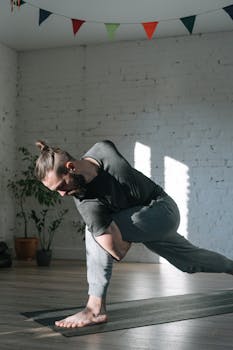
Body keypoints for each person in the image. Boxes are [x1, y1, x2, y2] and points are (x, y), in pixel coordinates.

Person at [34, 139, 233, 328]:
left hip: (163, 210)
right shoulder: (86, 203)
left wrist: (112, 230)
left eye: (61, 186)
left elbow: (118, 246)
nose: (61, 194)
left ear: (71, 167)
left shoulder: (102, 150)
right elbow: (118, 252)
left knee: (93, 230)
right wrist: (111, 232)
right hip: (142, 224)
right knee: (190, 262)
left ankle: (94, 308)